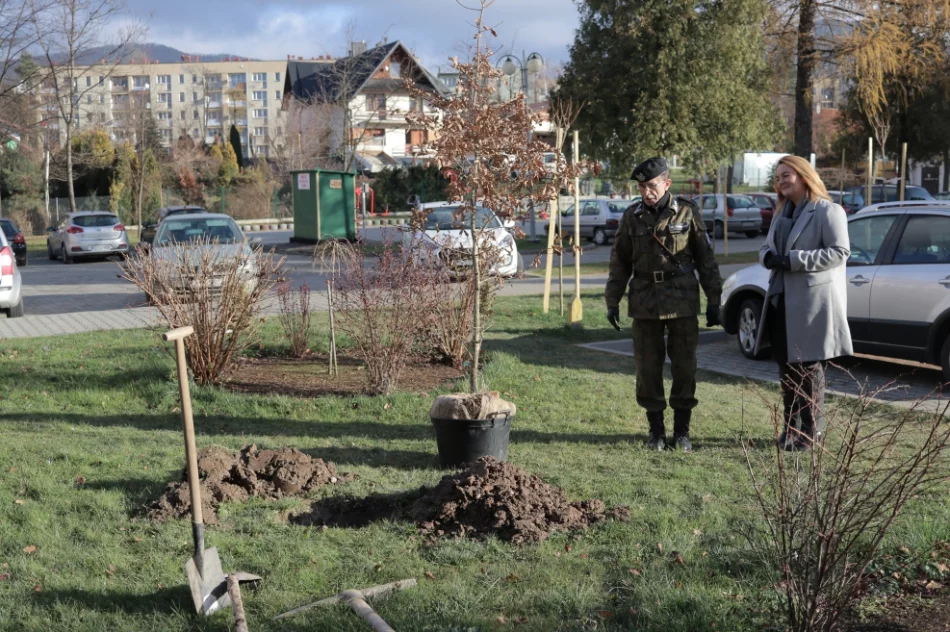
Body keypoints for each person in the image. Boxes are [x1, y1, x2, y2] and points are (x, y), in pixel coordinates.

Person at [605, 157, 723, 451]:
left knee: (684, 367)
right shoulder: (631, 216)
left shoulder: (687, 212)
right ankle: (655, 432)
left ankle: (682, 432)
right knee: (647, 369)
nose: (646, 192)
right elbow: (619, 262)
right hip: (644, 302)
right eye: (642, 187)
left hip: (682, 301)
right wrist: (612, 301)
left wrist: (714, 300)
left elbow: (706, 260)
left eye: (652, 186)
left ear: (667, 184)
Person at [756, 155, 852, 451]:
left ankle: (810, 433)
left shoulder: (828, 211)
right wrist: (768, 258)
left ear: (803, 175)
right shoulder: (782, 213)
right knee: (787, 369)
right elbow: (765, 248)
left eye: (787, 175)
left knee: (808, 370)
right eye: (778, 176)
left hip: (812, 304)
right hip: (781, 301)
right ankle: (791, 429)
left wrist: (794, 260)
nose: (782, 180)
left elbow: (839, 252)